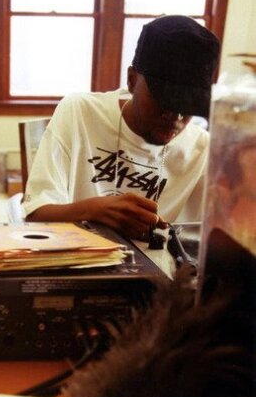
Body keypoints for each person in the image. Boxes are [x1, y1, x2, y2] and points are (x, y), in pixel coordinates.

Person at [22, 15, 220, 240]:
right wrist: (95, 210)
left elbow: (210, 238)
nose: (175, 118)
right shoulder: (80, 112)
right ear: (132, 80)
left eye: (188, 107)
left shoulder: (201, 149)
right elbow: (36, 214)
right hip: (77, 254)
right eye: (164, 102)